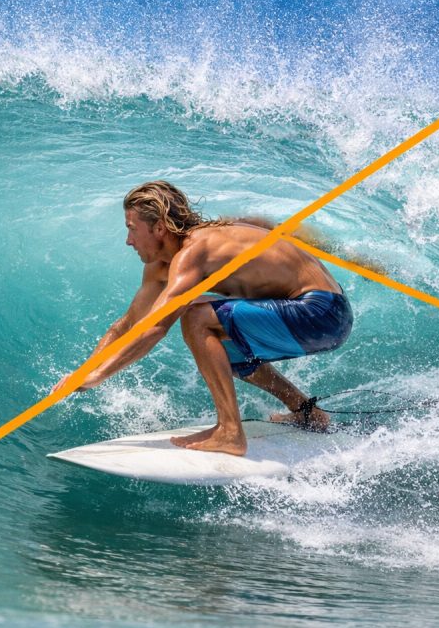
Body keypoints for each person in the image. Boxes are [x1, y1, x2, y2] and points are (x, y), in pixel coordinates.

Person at [52, 180, 353, 456]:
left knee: (197, 317)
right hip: (317, 316)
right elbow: (129, 325)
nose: (128, 240)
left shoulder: (195, 250)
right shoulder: (162, 265)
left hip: (324, 313)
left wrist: (98, 377)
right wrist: (83, 372)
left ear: (159, 228)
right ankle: (305, 411)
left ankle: (231, 433)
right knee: (223, 346)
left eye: (132, 228)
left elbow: (156, 327)